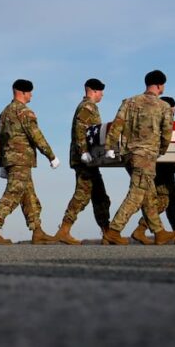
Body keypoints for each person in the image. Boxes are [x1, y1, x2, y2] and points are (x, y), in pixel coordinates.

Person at [101, 71, 175, 245]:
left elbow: (117, 124)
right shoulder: (163, 106)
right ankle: (114, 230)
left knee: (149, 194)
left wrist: (109, 147)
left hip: (129, 154)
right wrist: (161, 150)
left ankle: (159, 232)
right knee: (136, 194)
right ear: (160, 85)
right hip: (146, 155)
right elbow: (166, 133)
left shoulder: (129, 102)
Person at [0, 79, 61, 245]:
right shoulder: (25, 112)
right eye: (30, 92)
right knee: (13, 194)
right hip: (21, 160)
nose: (32, 95)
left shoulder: (5, 113)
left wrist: (2, 162)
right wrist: (51, 156)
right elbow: (36, 136)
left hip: (11, 160)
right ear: (23, 93)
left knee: (29, 197)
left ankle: (37, 231)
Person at [56, 78, 110, 244]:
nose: (102, 94)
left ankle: (107, 233)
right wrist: (84, 152)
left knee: (100, 196)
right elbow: (80, 129)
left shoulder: (90, 106)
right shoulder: (87, 106)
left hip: (89, 159)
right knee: (83, 194)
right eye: (100, 91)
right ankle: (64, 230)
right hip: (83, 159)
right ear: (93, 90)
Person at [131, 96, 175, 244]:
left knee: (174, 202)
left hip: (165, 169)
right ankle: (141, 228)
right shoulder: (162, 124)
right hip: (159, 169)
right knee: (163, 201)